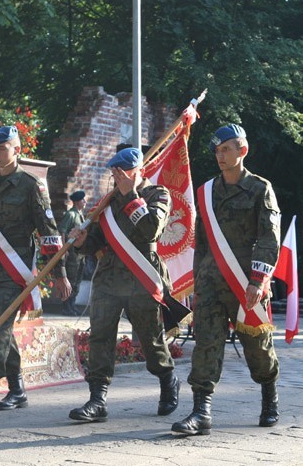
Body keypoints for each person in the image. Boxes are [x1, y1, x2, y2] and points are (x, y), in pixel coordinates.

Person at [171, 124, 281, 436]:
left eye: (227, 150)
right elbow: (201, 242)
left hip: (247, 283)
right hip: (210, 283)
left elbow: (269, 239)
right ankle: (200, 412)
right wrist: (195, 282)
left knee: (257, 347)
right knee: (205, 343)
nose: (220, 156)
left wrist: (258, 280)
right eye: (217, 151)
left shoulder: (260, 189)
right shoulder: (206, 192)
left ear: (242, 151)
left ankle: (269, 397)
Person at [0, 125, 71, 414]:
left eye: (2, 148)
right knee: (0, 327)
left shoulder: (31, 186)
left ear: (16, 150)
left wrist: (60, 274)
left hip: (17, 268)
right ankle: (17, 391)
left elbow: (49, 231)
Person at [68, 147, 184, 422]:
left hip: (142, 275)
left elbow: (151, 229)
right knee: (99, 336)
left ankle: (168, 380)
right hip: (109, 278)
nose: (117, 177)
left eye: (123, 172)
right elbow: (96, 240)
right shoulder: (108, 202)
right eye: (114, 173)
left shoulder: (158, 194)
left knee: (150, 339)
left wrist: (131, 195)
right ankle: (97, 400)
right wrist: (83, 242)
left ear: (138, 171)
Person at [58, 190, 87, 316]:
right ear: (76, 202)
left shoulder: (80, 215)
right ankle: (66, 307)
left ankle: (72, 305)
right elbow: (62, 231)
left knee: (77, 281)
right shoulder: (71, 215)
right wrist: (64, 249)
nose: (85, 202)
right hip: (71, 254)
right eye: (82, 200)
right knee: (70, 280)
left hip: (79, 255)